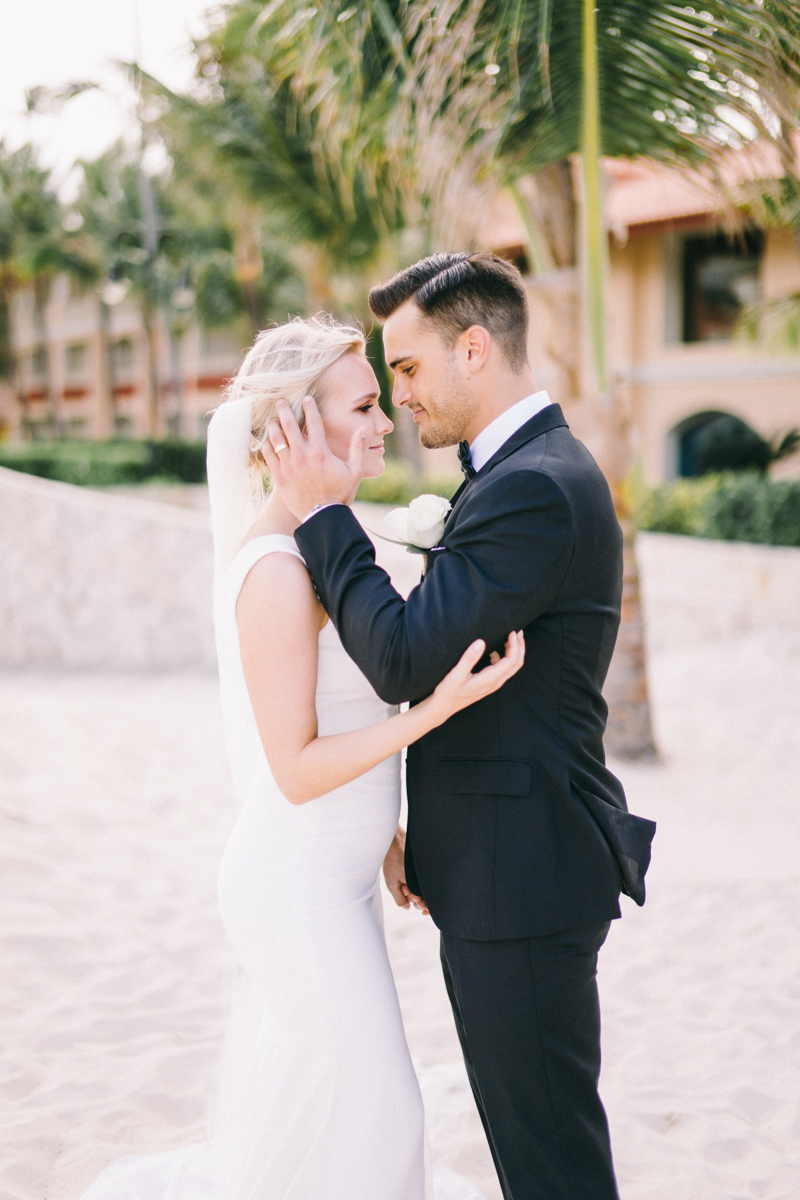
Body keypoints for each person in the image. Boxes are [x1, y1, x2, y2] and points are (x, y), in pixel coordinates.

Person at [79, 314, 523, 1200]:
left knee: (349, 1112)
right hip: (292, 893)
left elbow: (341, 708)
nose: (387, 421)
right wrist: (433, 712)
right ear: (293, 428)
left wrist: (387, 834)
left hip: (341, 880)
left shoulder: (331, 544)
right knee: (384, 1112)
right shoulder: (277, 570)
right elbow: (294, 766)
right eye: (363, 403)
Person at [262, 254, 656, 1200]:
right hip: (501, 868)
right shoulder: (521, 472)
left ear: (473, 350)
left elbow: (403, 658)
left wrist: (323, 518)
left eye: (406, 369)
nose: (399, 400)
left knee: (551, 1162)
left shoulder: (533, 486)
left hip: (523, 878)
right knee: (537, 1149)